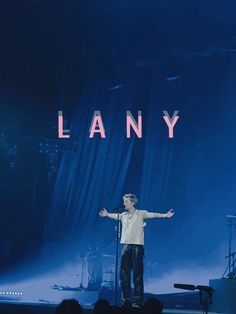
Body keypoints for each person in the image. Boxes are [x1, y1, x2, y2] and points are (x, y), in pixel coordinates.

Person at [99, 193, 174, 308]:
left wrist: (165, 215)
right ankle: (125, 301)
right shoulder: (123, 215)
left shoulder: (141, 213)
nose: (124, 203)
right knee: (124, 275)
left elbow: (152, 215)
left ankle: (138, 302)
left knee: (137, 275)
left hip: (137, 247)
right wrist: (107, 214)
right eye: (124, 201)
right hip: (126, 247)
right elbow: (114, 216)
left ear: (133, 202)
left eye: (126, 201)